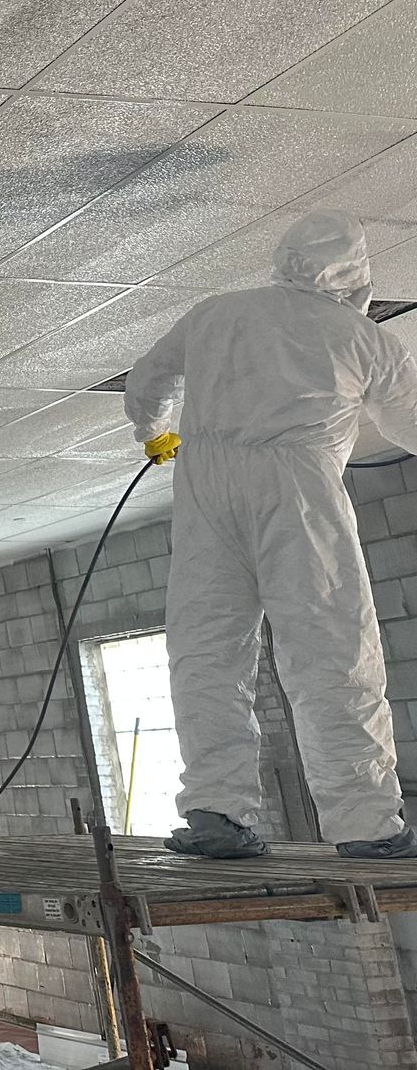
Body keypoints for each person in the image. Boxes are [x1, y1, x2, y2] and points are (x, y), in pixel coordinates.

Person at [124, 210, 417, 859]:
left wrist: (158, 437)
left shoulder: (214, 314)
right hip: (299, 491)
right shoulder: (361, 337)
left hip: (204, 485)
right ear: (356, 271)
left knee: (207, 650)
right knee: (332, 650)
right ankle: (367, 822)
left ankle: (215, 812)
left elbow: (147, 383)